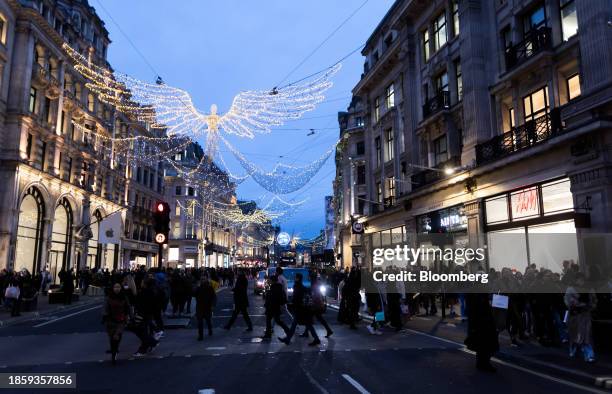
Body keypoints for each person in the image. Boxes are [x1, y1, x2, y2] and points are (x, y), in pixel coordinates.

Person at [279, 273, 320, 346]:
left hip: (301, 309)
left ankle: (288, 339)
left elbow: (297, 298)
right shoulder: (300, 286)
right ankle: (288, 339)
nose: (294, 278)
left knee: (303, 324)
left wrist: (293, 304)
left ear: (297, 278)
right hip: (302, 309)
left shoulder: (298, 286)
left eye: (295, 277)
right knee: (302, 324)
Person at [564, 273, 597, 362]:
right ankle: (574, 349)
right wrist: (576, 304)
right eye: (579, 279)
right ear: (576, 279)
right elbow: (567, 302)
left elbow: (594, 300)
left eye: (582, 279)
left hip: (585, 314)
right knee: (575, 335)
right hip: (575, 315)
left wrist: (590, 306)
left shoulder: (589, 289)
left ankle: (589, 354)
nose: (581, 281)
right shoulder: (570, 289)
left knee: (586, 335)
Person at [465, 291, 499, 372]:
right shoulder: (477, 293)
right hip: (481, 320)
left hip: (480, 320)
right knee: (485, 342)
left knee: (482, 342)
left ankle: (482, 362)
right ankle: (484, 363)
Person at [103, 282, 130, 365]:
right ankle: (113, 351)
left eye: (118, 287)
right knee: (112, 337)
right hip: (110, 320)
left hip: (121, 319)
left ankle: (115, 351)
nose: (117, 289)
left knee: (117, 336)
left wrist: (128, 317)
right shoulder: (109, 298)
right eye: (115, 287)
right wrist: (105, 316)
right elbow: (105, 308)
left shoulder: (124, 297)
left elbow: (127, 308)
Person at [263, 275, 290, 339]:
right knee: (276, 320)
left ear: (272, 280)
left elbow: (272, 297)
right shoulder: (277, 287)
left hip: (272, 306)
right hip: (274, 306)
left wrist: (267, 302)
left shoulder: (274, 287)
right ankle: (287, 331)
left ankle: (268, 334)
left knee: (271, 320)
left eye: (270, 280)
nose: (268, 281)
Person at [195, 275, 217, 341]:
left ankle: (210, 330)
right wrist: (196, 287)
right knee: (200, 322)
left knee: (208, 320)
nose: (202, 281)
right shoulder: (198, 288)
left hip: (207, 306)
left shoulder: (210, 287)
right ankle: (200, 335)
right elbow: (193, 293)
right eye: (201, 279)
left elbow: (214, 297)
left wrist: (213, 305)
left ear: (206, 280)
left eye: (204, 279)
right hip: (200, 307)